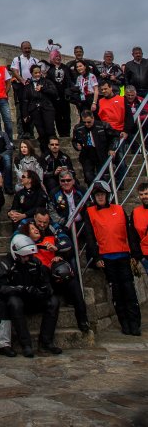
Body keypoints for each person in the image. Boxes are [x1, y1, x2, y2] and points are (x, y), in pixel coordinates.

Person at [83, 180, 142, 336]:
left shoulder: (119, 209)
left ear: (107, 195)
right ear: (94, 197)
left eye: (102, 194)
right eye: (97, 195)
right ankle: (125, 323)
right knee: (116, 292)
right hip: (107, 257)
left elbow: (130, 233)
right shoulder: (90, 212)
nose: (100, 197)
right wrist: (96, 257)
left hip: (123, 255)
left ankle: (135, 323)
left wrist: (135, 254)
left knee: (129, 290)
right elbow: (89, 237)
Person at [0, 234, 62, 356]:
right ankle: (26, 344)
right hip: (18, 301)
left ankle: (46, 342)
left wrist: (43, 291)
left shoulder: (35, 262)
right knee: (15, 302)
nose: (27, 259)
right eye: (24, 256)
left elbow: (46, 283)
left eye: (29, 256)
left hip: (34, 298)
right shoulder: (5, 265)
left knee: (54, 301)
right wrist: (21, 289)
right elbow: (0, 288)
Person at [72, 109, 116, 184]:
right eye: (84, 122)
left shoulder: (103, 126)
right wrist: (77, 145)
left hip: (101, 153)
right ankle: (91, 192)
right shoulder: (78, 128)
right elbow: (74, 140)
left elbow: (113, 137)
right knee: (88, 176)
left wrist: (111, 149)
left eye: (89, 122)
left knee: (102, 176)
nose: (87, 124)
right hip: (87, 154)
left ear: (93, 118)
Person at [131, 181, 148, 275]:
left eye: (146, 194)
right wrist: (138, 255)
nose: (144, 196)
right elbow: (132, 235)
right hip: (145, 255)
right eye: (141, 194)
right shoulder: (135, 212)